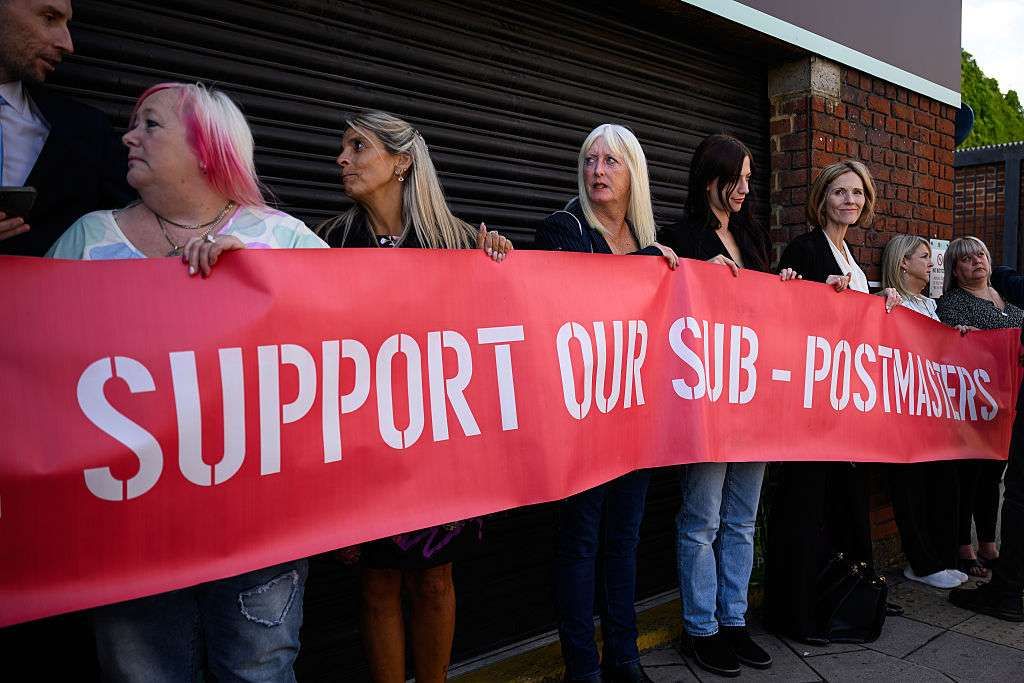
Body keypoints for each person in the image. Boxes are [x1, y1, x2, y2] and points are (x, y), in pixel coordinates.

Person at [48, 82, 326, 681]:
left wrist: (266, 282)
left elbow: (359, 340)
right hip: (128, 536)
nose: (128, 136)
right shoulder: (86, 241)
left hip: (258, 531)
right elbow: (30, 367)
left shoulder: (284, 240)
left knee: (259, 675)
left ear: (207, 149)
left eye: (150, 125)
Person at [318, 110, 511, 683]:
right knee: (377, 582)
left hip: (438, 446)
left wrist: (497, 264)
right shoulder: (326, 242)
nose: (342, 158)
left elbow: (492, 335)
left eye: (358, 146)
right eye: (343, 146)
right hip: (363, 445)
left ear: (401, 162)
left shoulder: (456, 243)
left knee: (434, 578)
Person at [534, 123, 678, 683]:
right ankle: (582, 667)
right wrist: (646, 261)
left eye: (611, 162)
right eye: (590, 160)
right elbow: (578, 296)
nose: (598, 171)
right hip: (582, 421)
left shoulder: (646, 237)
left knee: (624, 542)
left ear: (633, 173)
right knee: (581, 543)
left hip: (634, 418)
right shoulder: (564, 228)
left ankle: (625, 657)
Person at [659, 133, 797, 677]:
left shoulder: (753, 235)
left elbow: (769, 310)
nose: (744, 189)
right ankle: (702, 627)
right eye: (734, 178)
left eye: (749, 179)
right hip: (709, 403)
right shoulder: (680, 236)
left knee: (741, 519)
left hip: (754, 397)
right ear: (708, 177)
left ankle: (734, 620)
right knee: (702, 519)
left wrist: (785, 282)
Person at [765, 159, 901, 643]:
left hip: (845, 410)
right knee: (804, 509)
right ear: (822, 199)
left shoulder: (853, 260)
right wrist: (816, 294)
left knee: (841, 508)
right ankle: (794, 614)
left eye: (857, 193)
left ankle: (842, 600)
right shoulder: (805, 247)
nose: (850, 200)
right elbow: (786, 312)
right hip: (809, 407)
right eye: (840, 192)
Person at [0, 0, 134, 255]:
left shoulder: (87, 132)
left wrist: (225, 237)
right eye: (49, 18)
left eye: (66, 24)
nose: (68, 44)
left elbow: (148, 219)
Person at [879, 235, 968, 589]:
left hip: (932, 409)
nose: (932, 263)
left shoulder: (931, 306)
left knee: (942, 483)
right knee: (909, 489)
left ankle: (938, 556)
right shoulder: (891, 302)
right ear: (903, 262)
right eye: (924, 256)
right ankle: (921, 561)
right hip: (902, 410)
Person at [935, 237, 1023, 581]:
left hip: (1007, 404)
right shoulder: (953, 303)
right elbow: (945, 343)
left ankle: (988, 543)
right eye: (966, 259)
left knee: (993, 477)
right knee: (968, 477)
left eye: (980, 255)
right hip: (972, 405)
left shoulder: (1010, 297)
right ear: (955, 270)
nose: (976, 262)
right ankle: (963, 547)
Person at [950, 261, 1024, 621]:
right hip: (982, 408)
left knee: (1020, 495)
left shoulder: (1005, 286)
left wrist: (1006, 274)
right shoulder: (956, 300)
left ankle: (1009, 590)